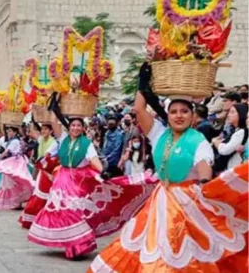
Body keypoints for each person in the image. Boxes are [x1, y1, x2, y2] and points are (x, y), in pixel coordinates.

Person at [89, 63, 249, 272]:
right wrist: (143, 83)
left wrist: (203, 183)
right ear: (168, 115)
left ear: (192, 116)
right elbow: (138, 109)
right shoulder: (159, 133)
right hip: (160, 198)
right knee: (150, 247)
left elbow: (204, 166)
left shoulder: (198, 140)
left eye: (184, 111)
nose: (178, 115)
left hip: (187, 203)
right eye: (173, 111)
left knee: (180, 253)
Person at [28, 97, 155, 260]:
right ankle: (70, 243)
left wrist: (103, 171)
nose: (75, 128)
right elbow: (54, 122)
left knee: (74, 211)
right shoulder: (63, 140)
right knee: (61, 212)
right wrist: (55, 104)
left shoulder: (86, 144)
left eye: (78, 126)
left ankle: (78, 245)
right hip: (62, 179)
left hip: (78, 181)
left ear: (82, 128)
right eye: (73, 125)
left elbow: (94, 159)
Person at [0, 126, 34, 210]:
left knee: (14, 180)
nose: (8, 133)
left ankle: (17, 202)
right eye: (8, 131)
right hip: (12, 161)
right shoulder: (12, 140)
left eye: (10, 131)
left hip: (15, 162)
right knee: (9, 181)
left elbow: (6, 152)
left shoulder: (15, 141)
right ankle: (15, 202)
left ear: (15, 132)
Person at [212, 103, 248, 173]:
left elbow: (225, 150)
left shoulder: (241, 132)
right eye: (229, 112)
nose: (228, 115)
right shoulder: (236, 130)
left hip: (235, 170)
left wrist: (215, 142)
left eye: (232, 112)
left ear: (241, 114)